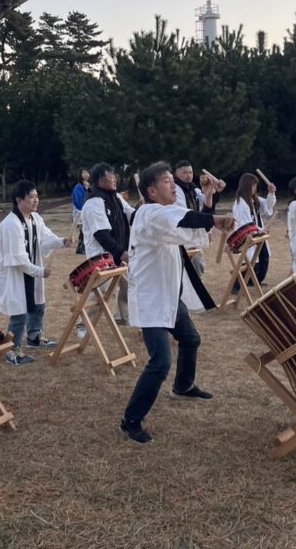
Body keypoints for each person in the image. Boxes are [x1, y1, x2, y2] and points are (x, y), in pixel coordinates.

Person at [120, 161, 234, 444]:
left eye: (173, 180)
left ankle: (182, 386)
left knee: (191, 339)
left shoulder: (163, 214)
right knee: (160, 361)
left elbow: (187, 226)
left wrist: (209, 205)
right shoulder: (148, 213)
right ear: (151, 191)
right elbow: (182, 219)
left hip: (168, 295)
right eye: (167, 181)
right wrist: (214, 220)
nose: (173, 185)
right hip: (150, 299)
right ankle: (130, 420)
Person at [0, 180, 70, 365]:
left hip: (30, 268)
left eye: (37, 196)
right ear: (19, 200)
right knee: (19, 312)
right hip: (13, 272)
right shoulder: (11, 224)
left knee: (38, 303)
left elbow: (45, 236)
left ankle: (34, 336)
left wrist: (61, 241)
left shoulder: (34, 218)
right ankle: (12, 351)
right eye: (31, 197)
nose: (36, 200)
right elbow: (18, 260)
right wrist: (39, 271)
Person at [80, 163, 134, 322]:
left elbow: (130, 213)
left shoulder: (115, 197)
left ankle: (122, 316)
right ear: (101, 181)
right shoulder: (94, 203)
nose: (115, 179)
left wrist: (143, 212)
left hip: (117, 252)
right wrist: (121, 253)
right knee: (100, 292)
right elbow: (101, 234)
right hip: (101, 256)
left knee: (128, 285)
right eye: (111, 177)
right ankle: (84, 324)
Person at [229, 173, 277, 296]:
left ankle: (254, 280)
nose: (255, 188)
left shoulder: (254, 199)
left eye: (255, 186)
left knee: (264, 257)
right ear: (246, 186)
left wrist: (271, 193)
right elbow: (245, 223)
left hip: (256, 233)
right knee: (249, 260)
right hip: (245, 235)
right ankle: (236, 285)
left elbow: (267, 207)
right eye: (253, 186)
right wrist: (259, 230)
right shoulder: (240, 203)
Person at [172, 160, 220, 279]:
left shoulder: (193, 188)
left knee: (198, 268)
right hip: (182, 238)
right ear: (176, 174)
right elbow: (186, 216)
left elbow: (207, 205)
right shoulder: (176, 190)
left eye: (190, 172)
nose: (188, 175)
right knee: (188, 271)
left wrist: (212, 192)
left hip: (193, 236)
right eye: (184, 173)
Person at [70, 168, 90, 255]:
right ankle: (81, 247)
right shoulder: (78, 187)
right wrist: (84, 209)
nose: (86, 174)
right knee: (84, 229)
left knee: (84, 229)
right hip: (80, 211)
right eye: (83, 173)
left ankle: (81, 247)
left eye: (87, 172)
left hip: (87, 210)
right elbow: (78, 201)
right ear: (80, 175)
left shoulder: (89, 185)